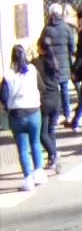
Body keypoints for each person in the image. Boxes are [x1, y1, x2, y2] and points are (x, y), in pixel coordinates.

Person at [2, 45, 47, 192]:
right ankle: (39, 172)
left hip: (17, 115)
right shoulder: (33, 70)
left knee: (22, 148)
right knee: (35, 142)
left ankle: (28, 179)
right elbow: (42, 87)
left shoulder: (8, 75)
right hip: (34, 111)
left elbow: (3, 97)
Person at [38, 3, 75, 125]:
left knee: (53, 90)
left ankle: (55, 116)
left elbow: (41, 44)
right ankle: (68, 114)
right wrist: (68, 57)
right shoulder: (66, 28)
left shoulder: (47, 29)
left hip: (51, 65)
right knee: (65, 90)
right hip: (64, 64)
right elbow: (72, 46)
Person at [35, 48, 61, 173]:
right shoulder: (54, 61)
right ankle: (52, 158)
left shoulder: (36, 63)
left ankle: (54, 154)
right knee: (51, 130)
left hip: (45, 100)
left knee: (42, 134)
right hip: (56, 98)